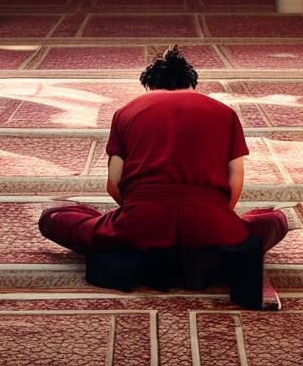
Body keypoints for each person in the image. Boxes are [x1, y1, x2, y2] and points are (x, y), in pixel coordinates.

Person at [38, 45, 289, 256]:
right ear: (191, 84)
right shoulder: (224, 112)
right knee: (274, 220)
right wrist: (220, 218)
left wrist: (137, 212)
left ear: (149, 86)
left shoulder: (126, 111)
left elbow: (113, 184)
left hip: (139, 226)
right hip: (210, 226)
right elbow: (236, 179)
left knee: (55, 216)